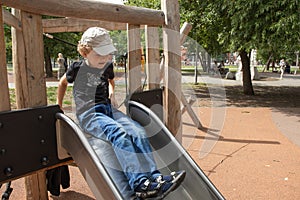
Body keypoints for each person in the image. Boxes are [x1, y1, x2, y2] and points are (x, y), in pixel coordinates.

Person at [56, 27, 185, 199]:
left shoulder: (107, 66)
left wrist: (111, 92)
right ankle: (139, 183)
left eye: (106, 54)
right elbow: (62, 83)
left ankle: (154, 178)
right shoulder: (77, 68)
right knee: (120, 133)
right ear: (85, 52)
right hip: (90, 114)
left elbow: (110, 81)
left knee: (138, 131)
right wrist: (58, 105)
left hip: (107, 110)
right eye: (99, 54)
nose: (104, 58)